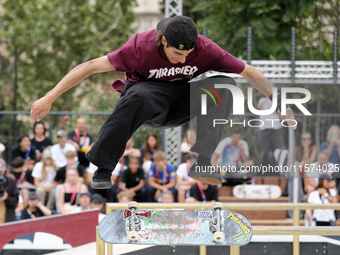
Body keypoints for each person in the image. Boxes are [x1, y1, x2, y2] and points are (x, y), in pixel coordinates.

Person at [30, 15, 296, 189]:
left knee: (225, 86)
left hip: (181, 100)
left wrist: (279, 103)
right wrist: (49, 96)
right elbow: (88, 66)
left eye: (188, 55)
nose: (182, 60)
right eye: (177, 53)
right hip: (147, 100)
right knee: (139, 94)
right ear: (163, 40)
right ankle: (103, 167)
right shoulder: (139, 47)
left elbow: (250, 72)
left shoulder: (205, 49)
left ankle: (202, 161)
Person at [321, 125, 340, 192]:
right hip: (327, 169)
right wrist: (331, 144)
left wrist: (338, 145)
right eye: (333, 133)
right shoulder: (325, 144)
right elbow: (325, 157)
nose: (334, 135)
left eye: (336, 133)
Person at [0, 158, 19, 223]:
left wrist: (7, 198)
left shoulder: (10, 181)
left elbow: (15, 202)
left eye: (1, 172)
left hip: (7, 219)